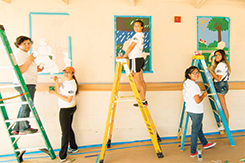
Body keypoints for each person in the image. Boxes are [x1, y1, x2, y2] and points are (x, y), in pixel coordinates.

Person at [11, 36, 44, 135]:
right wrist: (30, 59)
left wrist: (37, 68)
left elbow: (27, 68)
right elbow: (20, 70)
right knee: (27, 105)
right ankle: (24, 128)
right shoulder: (20, 55)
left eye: (29, 43)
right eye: (24, 43)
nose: (27, 46)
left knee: (24, 105)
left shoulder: (24, 54)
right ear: (18, 44)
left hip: (27, 82)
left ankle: (17, 128)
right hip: (26, 83)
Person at [183, 66, 216, 157]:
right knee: (195, 131)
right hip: (196, 111)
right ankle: (193, 151)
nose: (197, 74)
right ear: (189, 74)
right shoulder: (194, 86)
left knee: (198, 128)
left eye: (197, 72)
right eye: (194, 73)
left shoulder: (186, 83)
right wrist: (204, 95)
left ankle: (205, 143)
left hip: (190, 110)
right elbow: (197, 100)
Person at [49, 66, 79, 162]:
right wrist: (56, 82)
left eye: (68, 72)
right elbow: (59, 91)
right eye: (65, 71)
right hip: (69, 108)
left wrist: (54, 94)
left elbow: (68, 99)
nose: (66, 73)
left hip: (66, 109)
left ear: (73, 74)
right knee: (68, 128)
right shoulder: (66, 82)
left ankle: (62, 156)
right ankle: (73, 147)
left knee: (64, 133)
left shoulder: (71, 84)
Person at [116, 20, 147, 107]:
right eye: (135, 26)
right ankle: (144, 99)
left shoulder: (137, 35)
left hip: (135, 59)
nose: (136, 27)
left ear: (141, 27)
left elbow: (131, 46)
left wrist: (124, 56)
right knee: (141, 80)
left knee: (137, 80)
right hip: (140, 58)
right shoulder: (141, 35)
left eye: (138, 26)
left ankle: (142, 100)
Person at [208, 49, 231, 126]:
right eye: (215, 55)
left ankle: (225, 124)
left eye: (218, 55)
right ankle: (224, 122)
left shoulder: (221, 65)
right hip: (223, 85)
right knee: (222, 105)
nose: (216, 57)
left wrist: (210, 71)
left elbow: (218, 78)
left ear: (222, 56)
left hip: (220, 85)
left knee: (223, 106)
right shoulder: (224, 64)